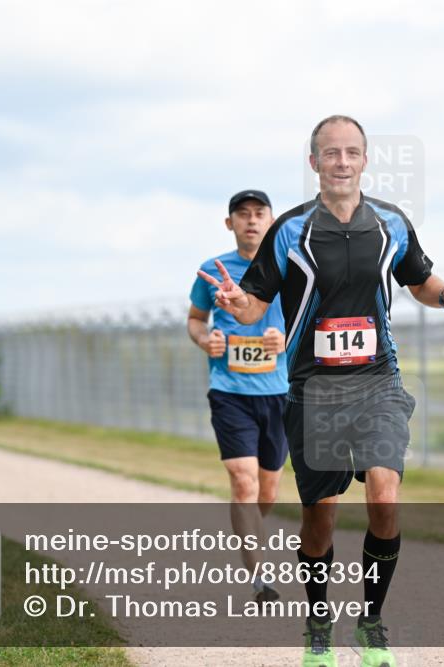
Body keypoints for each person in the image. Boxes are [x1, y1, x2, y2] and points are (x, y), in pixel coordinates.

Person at [198, 115, 444, 667]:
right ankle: (317, 624)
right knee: (321, 516)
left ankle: (372, 622)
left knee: (384, 495)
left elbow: (420, 282)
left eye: (351, 152)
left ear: (364, 161)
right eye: (329, 153)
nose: (341, 162)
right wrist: (240, 306)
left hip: (379, 381)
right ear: (314, 163)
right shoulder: (289, 230)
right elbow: (258, 302)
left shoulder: (391, 224)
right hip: (313, 391)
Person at [188, 189, 290, 604]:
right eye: (242, 214)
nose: (250, 220)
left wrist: (286, 339)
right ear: (229, 224)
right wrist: (204, 340)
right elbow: (195, 320)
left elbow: (311, 322)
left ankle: (247, 527)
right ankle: (260, 580)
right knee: (243, 482)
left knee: (267, 492)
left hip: (278, 392)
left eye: (258, 213)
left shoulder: (290, 269)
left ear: (271, 220)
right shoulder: (211, 271)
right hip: (229, 391)